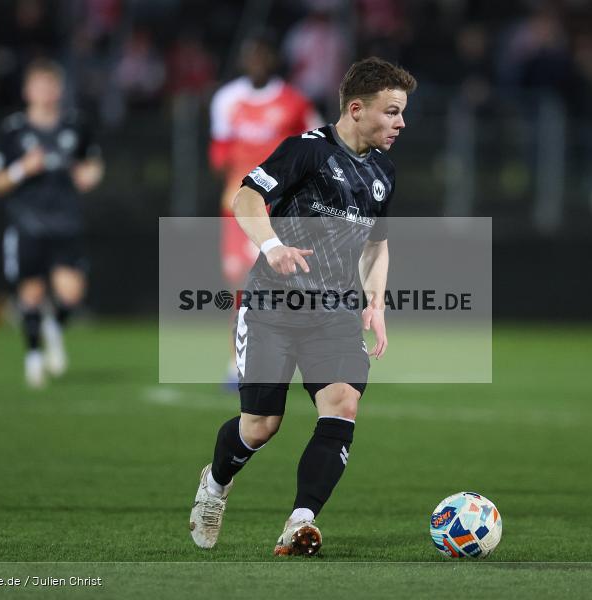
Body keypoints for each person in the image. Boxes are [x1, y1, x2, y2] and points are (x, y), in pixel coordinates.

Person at [189, 57, 416, 556]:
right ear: (357, 109)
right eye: (393, 112)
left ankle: (300, 521)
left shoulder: (383, 172)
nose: (401, 123)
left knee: (343, 405)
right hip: (272, 305)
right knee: (260, 426)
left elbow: (377, 245)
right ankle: (216, 484)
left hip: (334, 313)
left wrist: (375, 303)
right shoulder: (305, 152)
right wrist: (273, 247)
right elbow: (246, 199)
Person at [208, 34, 321, 387]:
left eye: (262, 56)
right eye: (250, 57)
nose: (255, 63)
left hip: (280, 209)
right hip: (238, 209)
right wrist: (234, 179)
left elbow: (317, 145)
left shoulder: (294, 102)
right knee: (239, 284)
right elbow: (219, 152)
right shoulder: (227, 99)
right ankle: (235, 362)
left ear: (272, 61)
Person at [0, 59, 104, 388]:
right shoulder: (13, 130)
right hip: (28, 223)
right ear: (27, 91)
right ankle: (34, 357)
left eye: (51, 85)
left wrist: (90, 175)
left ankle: (54, 328)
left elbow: (92, 164)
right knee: (32, 294)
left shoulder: (75, 126)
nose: (45, 92)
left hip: (67, 222)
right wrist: (23, 168)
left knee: (71, 294)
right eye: (39, 85)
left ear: (60, 90)